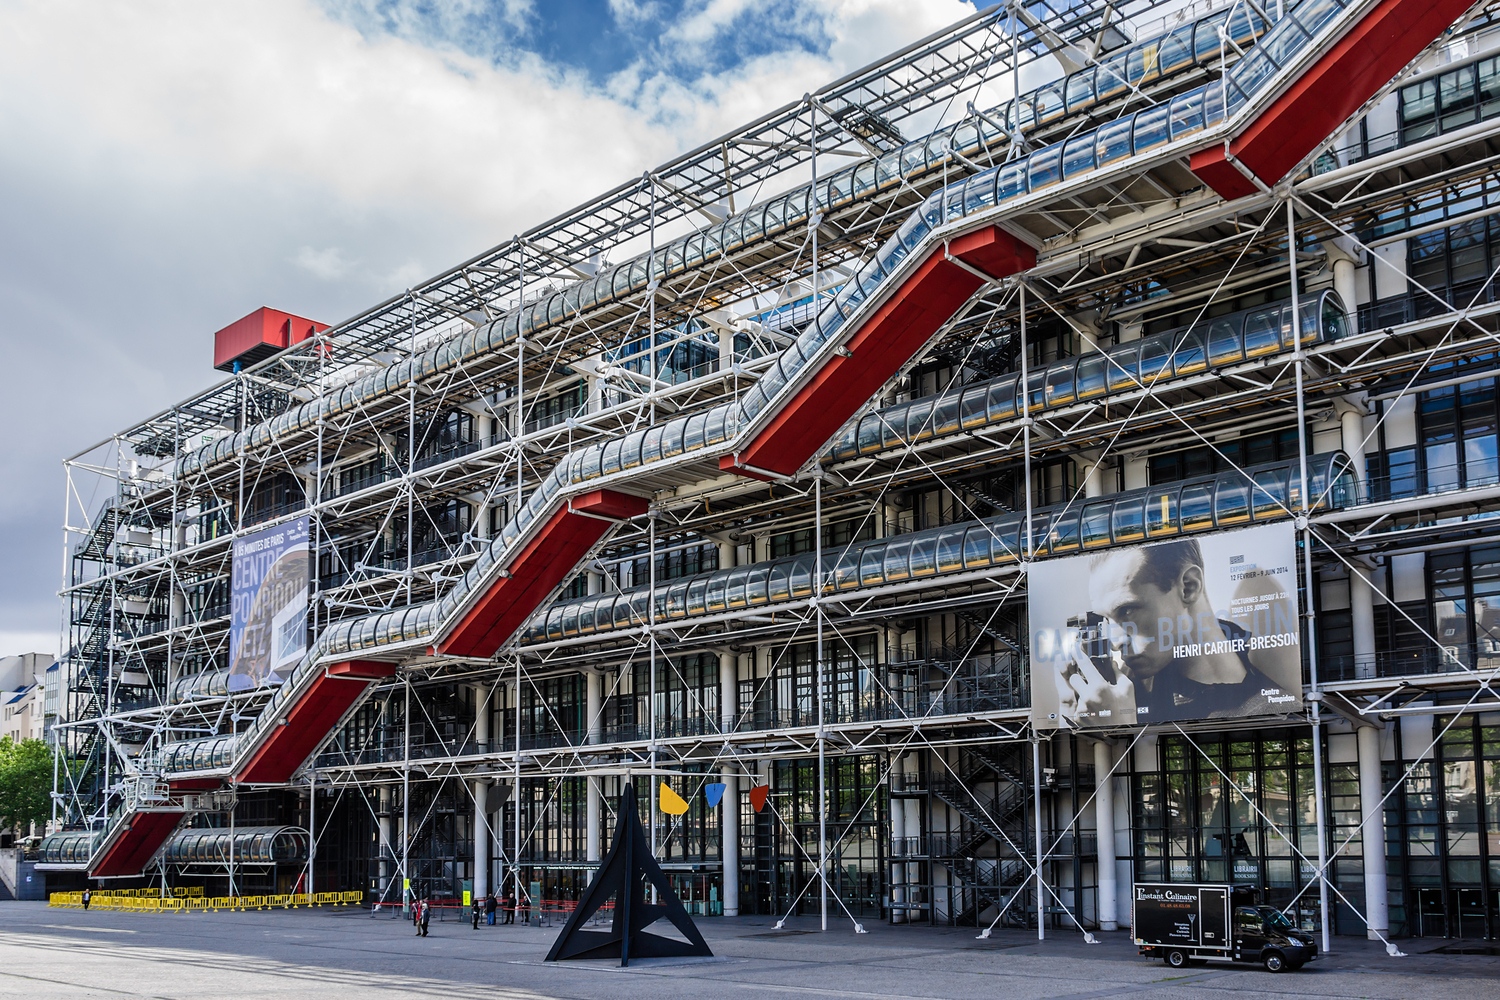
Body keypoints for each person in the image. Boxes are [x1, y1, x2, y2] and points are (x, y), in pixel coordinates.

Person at [1053, 539, 1295, 727]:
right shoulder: (1120, 689)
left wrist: (1121, 727)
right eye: (1106, 619)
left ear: (1188, 587)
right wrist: (1069, 708)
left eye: (1127, 610)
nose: (1115, 642)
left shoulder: (1270, 708)